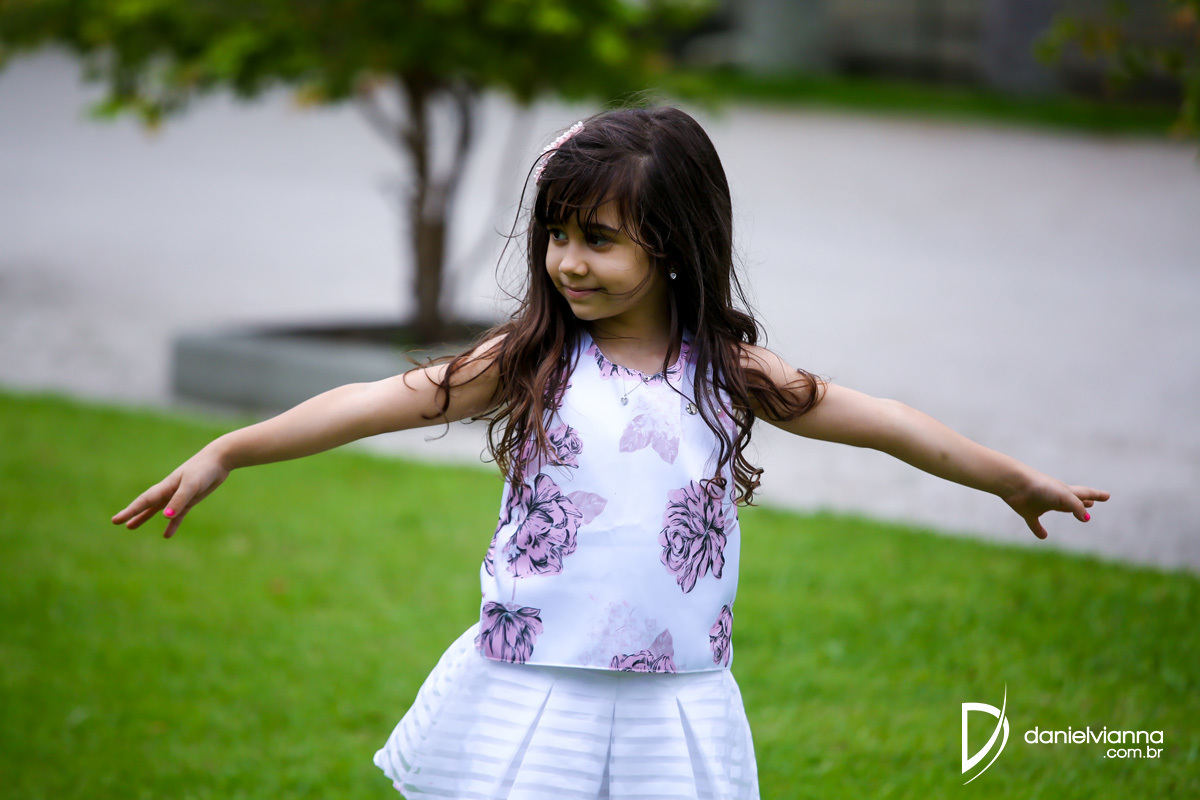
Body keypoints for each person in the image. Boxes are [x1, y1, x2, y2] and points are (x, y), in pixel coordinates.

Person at [111, 106, 1108, 799]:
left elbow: (884, 420)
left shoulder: (728, 371)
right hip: (536, 682)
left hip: (674, 695)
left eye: (597, 238)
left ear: (672, 244)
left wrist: (1011, 478)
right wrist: (231, 450)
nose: (567, 261)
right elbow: (373, 403)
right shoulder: (532, 358)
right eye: (556, 234)